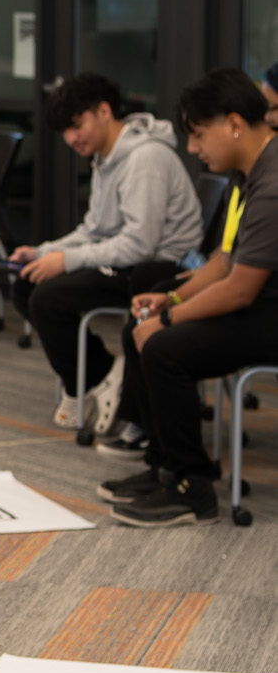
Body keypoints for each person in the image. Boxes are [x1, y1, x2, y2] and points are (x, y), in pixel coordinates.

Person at [100, 67, 278, 528]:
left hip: (269, 314)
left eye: (199, 135)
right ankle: (165, 467)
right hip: (260, 303)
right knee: (143, 317)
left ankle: (192, 488)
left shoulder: (273, 184)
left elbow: (239, 289)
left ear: (234, 124)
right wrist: (170, 302)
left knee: (163, 347)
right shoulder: (251, 171)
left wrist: (169, 323)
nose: (194, 149)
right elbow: (223, 261)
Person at [7, 74, 203, 436]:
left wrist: (65, 262)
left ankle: (93, 377)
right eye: (65, 131)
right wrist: (42, 253)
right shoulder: (105, 157)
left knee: (47, 297)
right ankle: (97, 376)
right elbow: (95, 228)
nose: (71, 138)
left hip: (159, 270)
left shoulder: (145, 158)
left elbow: (138, 244)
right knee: (26, 283)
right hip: (128, 262)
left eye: (76, 125)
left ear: (104, 110)